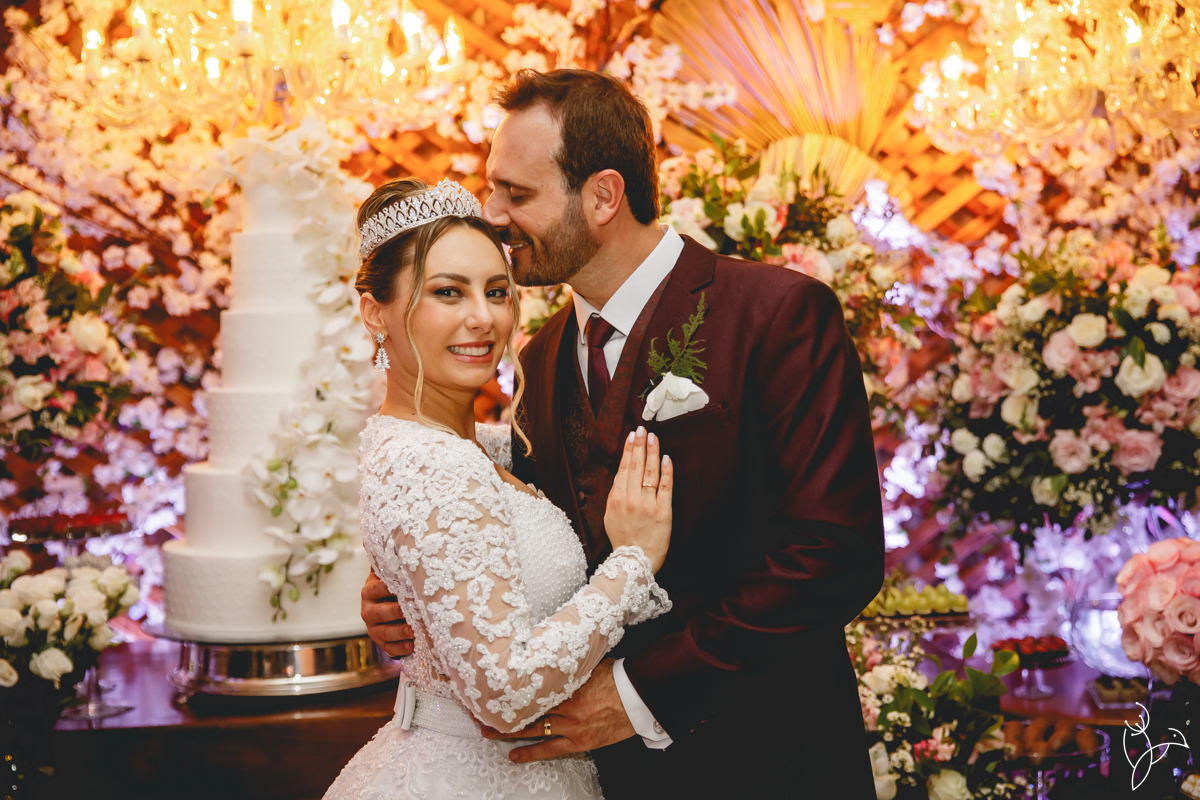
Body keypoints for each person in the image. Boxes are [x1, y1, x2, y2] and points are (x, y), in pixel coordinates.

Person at [362, 70, 886, 798]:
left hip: (767, 760)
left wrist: (641, 692)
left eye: (517, 194)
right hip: (605, 778)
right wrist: (422, 588)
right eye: (492, 189)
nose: (493, 216)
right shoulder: (539, 359)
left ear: (604, 196)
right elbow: (534, 543)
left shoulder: (777, 313)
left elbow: (833, 554)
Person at [325, 177, 675, 800]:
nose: (482, 318)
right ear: (375, 312)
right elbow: (504, 693)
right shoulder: (430, 464)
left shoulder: (475, 446)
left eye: (495, 291)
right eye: (447, 292)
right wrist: (632, 564)